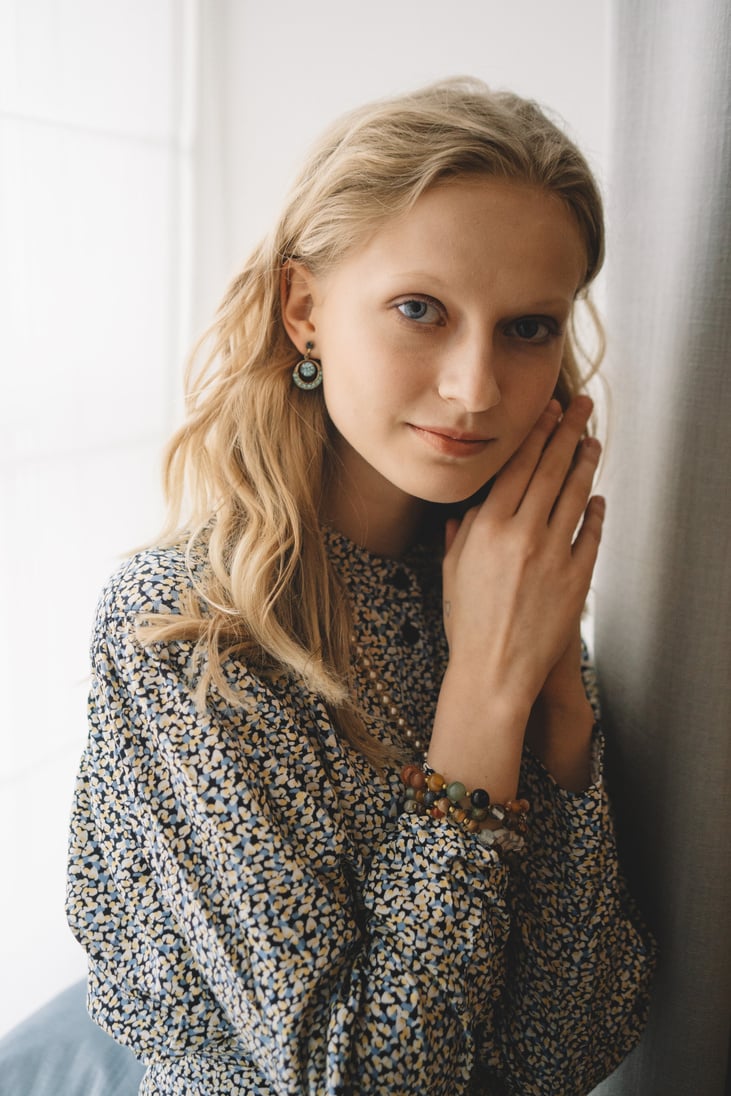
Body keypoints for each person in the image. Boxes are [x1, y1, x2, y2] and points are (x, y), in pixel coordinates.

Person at [66, 77, 656, 1095]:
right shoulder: (186, 636)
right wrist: (481, 699)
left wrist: (553, 701)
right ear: (303, 310)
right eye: (419, 310)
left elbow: (573, 1048)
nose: (474, 388)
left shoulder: (495, 594)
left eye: (526, 328)